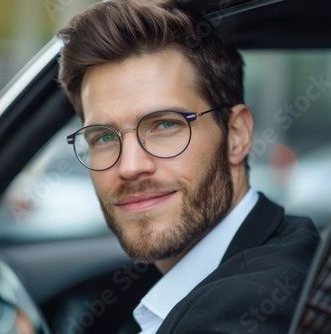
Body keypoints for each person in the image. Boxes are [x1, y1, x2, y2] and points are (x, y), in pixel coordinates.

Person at [57, 0, 321, 333]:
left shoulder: (248, 312)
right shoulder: (283, 246)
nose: (130, 166)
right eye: (103, 137)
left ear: (236, 135)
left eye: (165, 125)